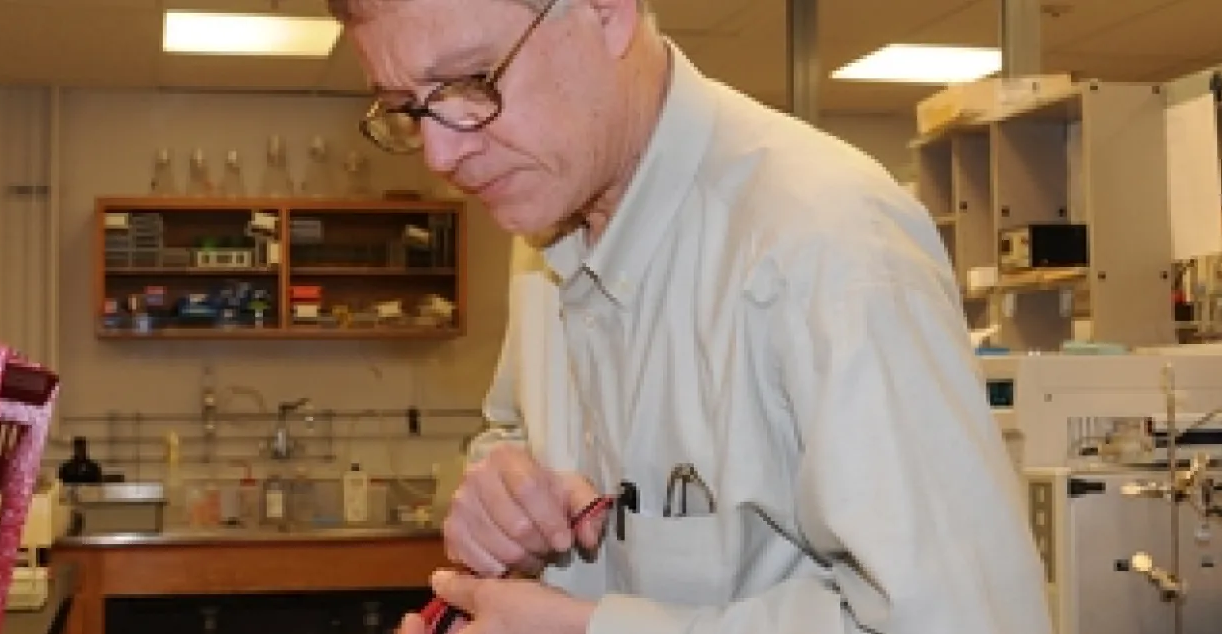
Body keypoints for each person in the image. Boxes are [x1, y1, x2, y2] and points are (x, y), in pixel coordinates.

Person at [330, 0, 1054, 632]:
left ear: (605, 12)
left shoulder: (829, 248)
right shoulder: (547, 216)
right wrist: (498, 491)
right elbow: (517, 430)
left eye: (468, 85)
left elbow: (962, 622)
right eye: (405, 108)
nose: (441, 154)